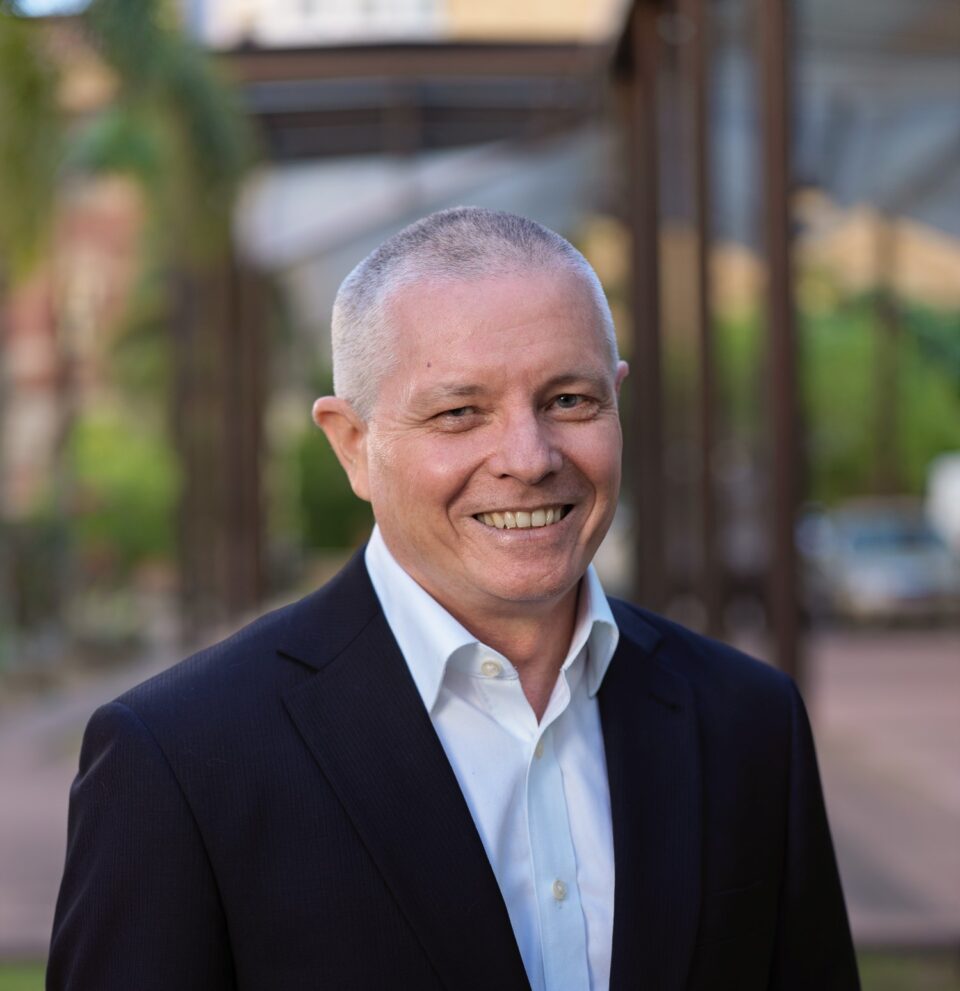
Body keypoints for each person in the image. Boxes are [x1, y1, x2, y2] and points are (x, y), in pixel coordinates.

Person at [48, 207, 859, 990]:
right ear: (353, 445)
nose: (529, 457)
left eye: (568, 400)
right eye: (460, 412)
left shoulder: (750, 722)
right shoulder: (180, 761)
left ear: (616, 400)